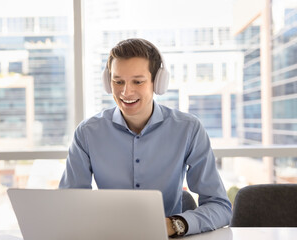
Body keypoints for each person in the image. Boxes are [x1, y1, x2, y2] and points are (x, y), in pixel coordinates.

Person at [59, 38, 232, 237]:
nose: (126, 91)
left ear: (157, 82)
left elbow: (219, 206)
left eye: (138, 81)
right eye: (118, 81)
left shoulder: (188, 129)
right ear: (108, 82)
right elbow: (68, 204)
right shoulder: (87, 133)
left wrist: (175, 224)